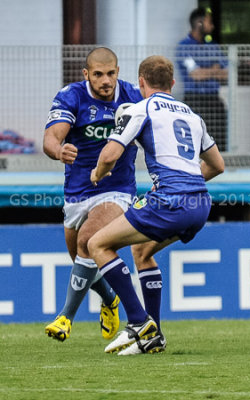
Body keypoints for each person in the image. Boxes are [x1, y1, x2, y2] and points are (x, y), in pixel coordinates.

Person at [88, 55, 225, 355]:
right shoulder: (192, 115)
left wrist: (97, 174)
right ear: (173, 83)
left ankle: (139, 321)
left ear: (140, 83)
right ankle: (154, 337)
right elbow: (217, 165)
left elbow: (110, 154)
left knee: (97, 244)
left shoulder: (142, 107)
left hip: (169, 202)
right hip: (199, 204)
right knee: (142, 251)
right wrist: (188, 182)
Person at [43, 47, 143, 342]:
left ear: (118, 72)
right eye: (98, 74)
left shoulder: (133, 97)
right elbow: (51, 137)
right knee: (80, 256)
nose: (106, 80)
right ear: (86, 74)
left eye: (111, 73)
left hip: (117, 189)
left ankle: (65, 318)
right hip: (77, 192)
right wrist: (58, 150)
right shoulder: (71, 96)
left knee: (88, 239)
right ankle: (110, 299)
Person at [176, 7, 228, 151]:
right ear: (199, 23)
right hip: (194, 101)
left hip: (214, 99)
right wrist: (215, 69)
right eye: (209, 21)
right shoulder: (184, 47)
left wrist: (205, 71)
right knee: (195, 142)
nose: (212, 25)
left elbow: (228, 73)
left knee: (218, 143)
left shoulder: (213, 47)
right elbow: (195, 75)